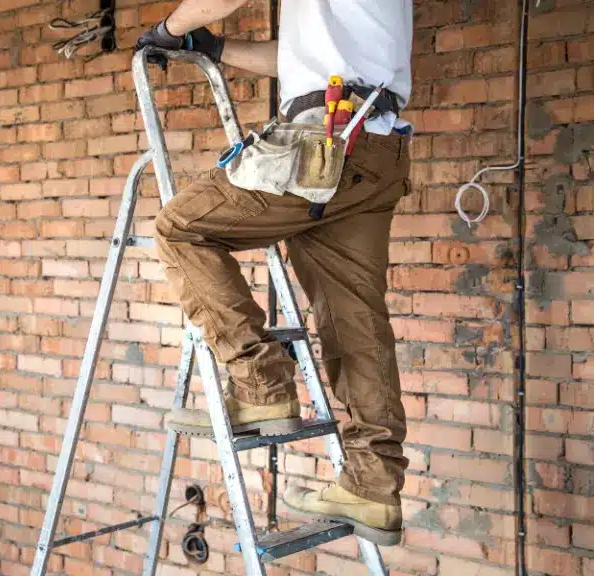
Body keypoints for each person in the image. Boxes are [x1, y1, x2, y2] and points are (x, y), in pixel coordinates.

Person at [136, 0, 413, 547]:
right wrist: (211, 48)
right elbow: (297, 60)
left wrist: (168, 29)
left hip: (327, 141)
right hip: (377, 146)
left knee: (182, 230)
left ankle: (260, 383)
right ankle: (373, 486)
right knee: (356, 321)